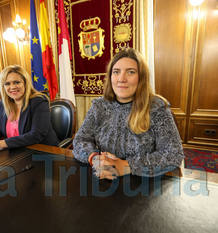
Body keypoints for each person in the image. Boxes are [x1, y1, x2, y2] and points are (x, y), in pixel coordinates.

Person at [73, 48, 184, 179]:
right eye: (116, 72)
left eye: (130, 72)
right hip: (104, 179)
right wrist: (95, 158)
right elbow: (80, 140)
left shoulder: (157, 108)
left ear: (141, 77)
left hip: (144, 185)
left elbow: (173, 154)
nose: (121, 79)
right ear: (110, 77)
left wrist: (126, 166)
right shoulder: (99, 106)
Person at [0, 65, 59, 151]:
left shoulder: (39, 101)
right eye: (7, 84)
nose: (12, 87)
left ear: (25, 83)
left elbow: (36, 135)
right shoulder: (4, 103)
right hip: (17, 150)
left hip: (42, 151)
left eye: (17, 82)